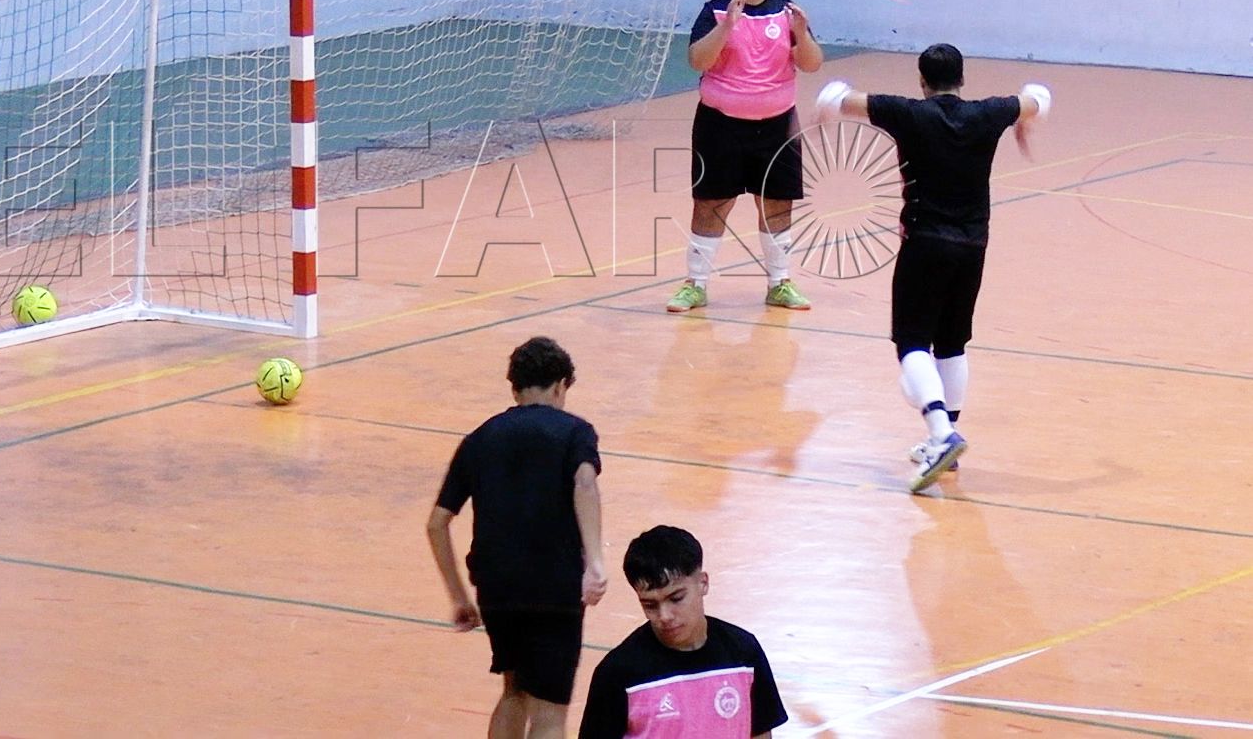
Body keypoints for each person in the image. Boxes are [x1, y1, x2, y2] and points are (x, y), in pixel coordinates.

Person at [816, 44, 1050, 492]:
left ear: (922, 82)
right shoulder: (990, 113)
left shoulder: (908, 113)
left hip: (924, 244)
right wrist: (1025, 118)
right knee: (952, 344)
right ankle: (944, 440)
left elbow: (838, 96)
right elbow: (1039, 97)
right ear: (962, 79)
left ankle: (942, 434)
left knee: (911, 343)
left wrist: (826, 108)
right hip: (973, 245)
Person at [427, 336, 608, 739]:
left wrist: (459, 597)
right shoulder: (575, 432)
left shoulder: (479, 439)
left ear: (514, 389)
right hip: (554, 588)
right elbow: (585, 483)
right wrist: (595, 562)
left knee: (514, 690)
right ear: (560, 386)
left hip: (497, 589)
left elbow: (437, 523)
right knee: (550, 714)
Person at [669, 0, 823, 316]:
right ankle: (695, 285)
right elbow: (697, 61)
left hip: (777, 126)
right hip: (720, 126)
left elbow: (812, 63)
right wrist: (727, 27)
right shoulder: (716, 10)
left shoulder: (786, 12)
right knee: (711, 202)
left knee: (777, 203)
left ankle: (780, 283)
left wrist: (802, 33)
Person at [577, 525, 787, 738]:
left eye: (676, 598)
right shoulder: (618, 672)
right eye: (650, 605)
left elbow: (760, 733)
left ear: (703, 583)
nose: (664, 616)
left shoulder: (744, 653)